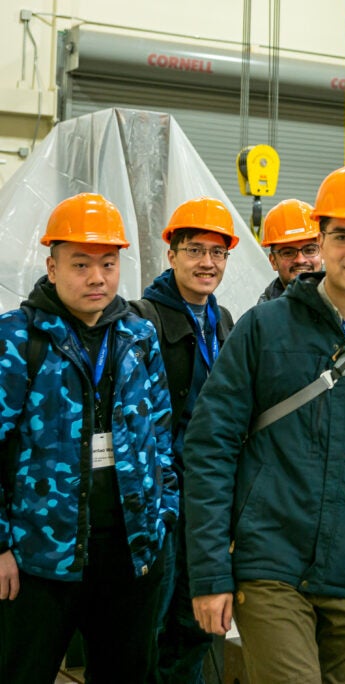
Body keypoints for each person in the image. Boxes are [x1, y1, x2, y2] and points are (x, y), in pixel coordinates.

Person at [183, 163, 345, 684]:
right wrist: (211, 572)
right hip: (270, 563)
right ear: (321, 242)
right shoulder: (265, 328)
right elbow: (209, 447)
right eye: (343, 236)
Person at [0, 193, 176, 683]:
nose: (97, 277)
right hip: (38, 560)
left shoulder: (138, 337)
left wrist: (163, 517)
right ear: (52, 267)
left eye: (108, 263)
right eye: (81, 265)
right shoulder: (17, 340)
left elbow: (161, 433)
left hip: (129, 554)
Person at [132, 196, 237, 683]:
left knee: (199, 623)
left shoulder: (225, 320)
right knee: (151, 626)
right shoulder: (144, 321)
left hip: (209, 496)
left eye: (218, 254)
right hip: (163, 501)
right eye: (195, 250)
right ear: (170, 255)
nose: (207, 263)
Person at [258, 198, 322, 303]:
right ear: (273, 261)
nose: (301, 260)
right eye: (288, 253)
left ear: (323, 253)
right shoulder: (261, 317)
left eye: (310, 250)